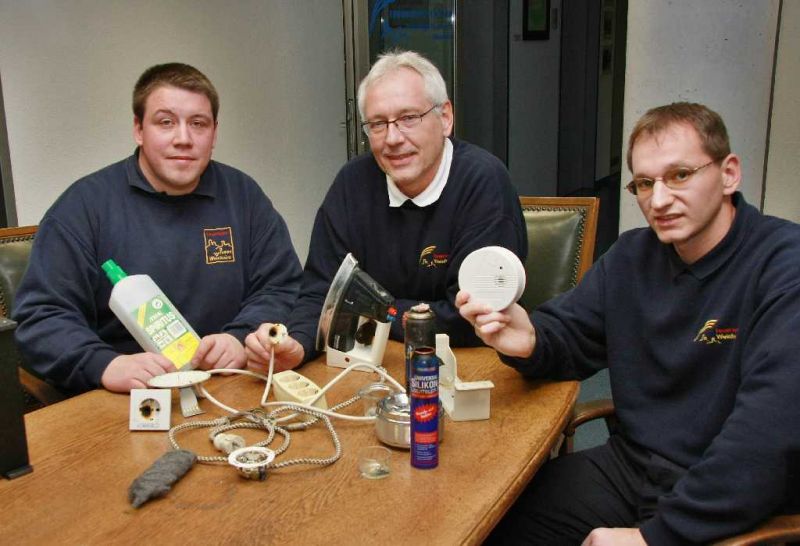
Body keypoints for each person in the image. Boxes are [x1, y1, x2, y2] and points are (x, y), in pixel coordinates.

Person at [458, 102, 800, 545]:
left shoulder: (784, 267)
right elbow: (571, 335)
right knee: (488, 520)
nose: (658, 200)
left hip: (727, 490)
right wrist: (531, 339)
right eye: (644, 183)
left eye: (680, 175)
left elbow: (765, 440)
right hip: (631, 467)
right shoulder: (631, 257)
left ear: (729, 173)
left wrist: (652, 538)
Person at [13, 63, 302, 395]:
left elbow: (282, 286)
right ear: (139, 129)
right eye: (166, 122)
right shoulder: (83, 207)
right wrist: (104, 364)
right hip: (123, 397)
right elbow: (40, 317)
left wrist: (240, 337)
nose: (183, 139)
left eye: (198, 124)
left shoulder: (244, 196)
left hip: (229, 384)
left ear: (214, 133)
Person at [245, 50, 527, 371]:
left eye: (409, 118)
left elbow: (469, 320)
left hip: (468, 367)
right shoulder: (352, 183)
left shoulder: (483, 182)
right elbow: (321, 295)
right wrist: (296, 344)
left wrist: (372, 310)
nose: (392, 138)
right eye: (378, 124)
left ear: (445, 118)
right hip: (372, 368)